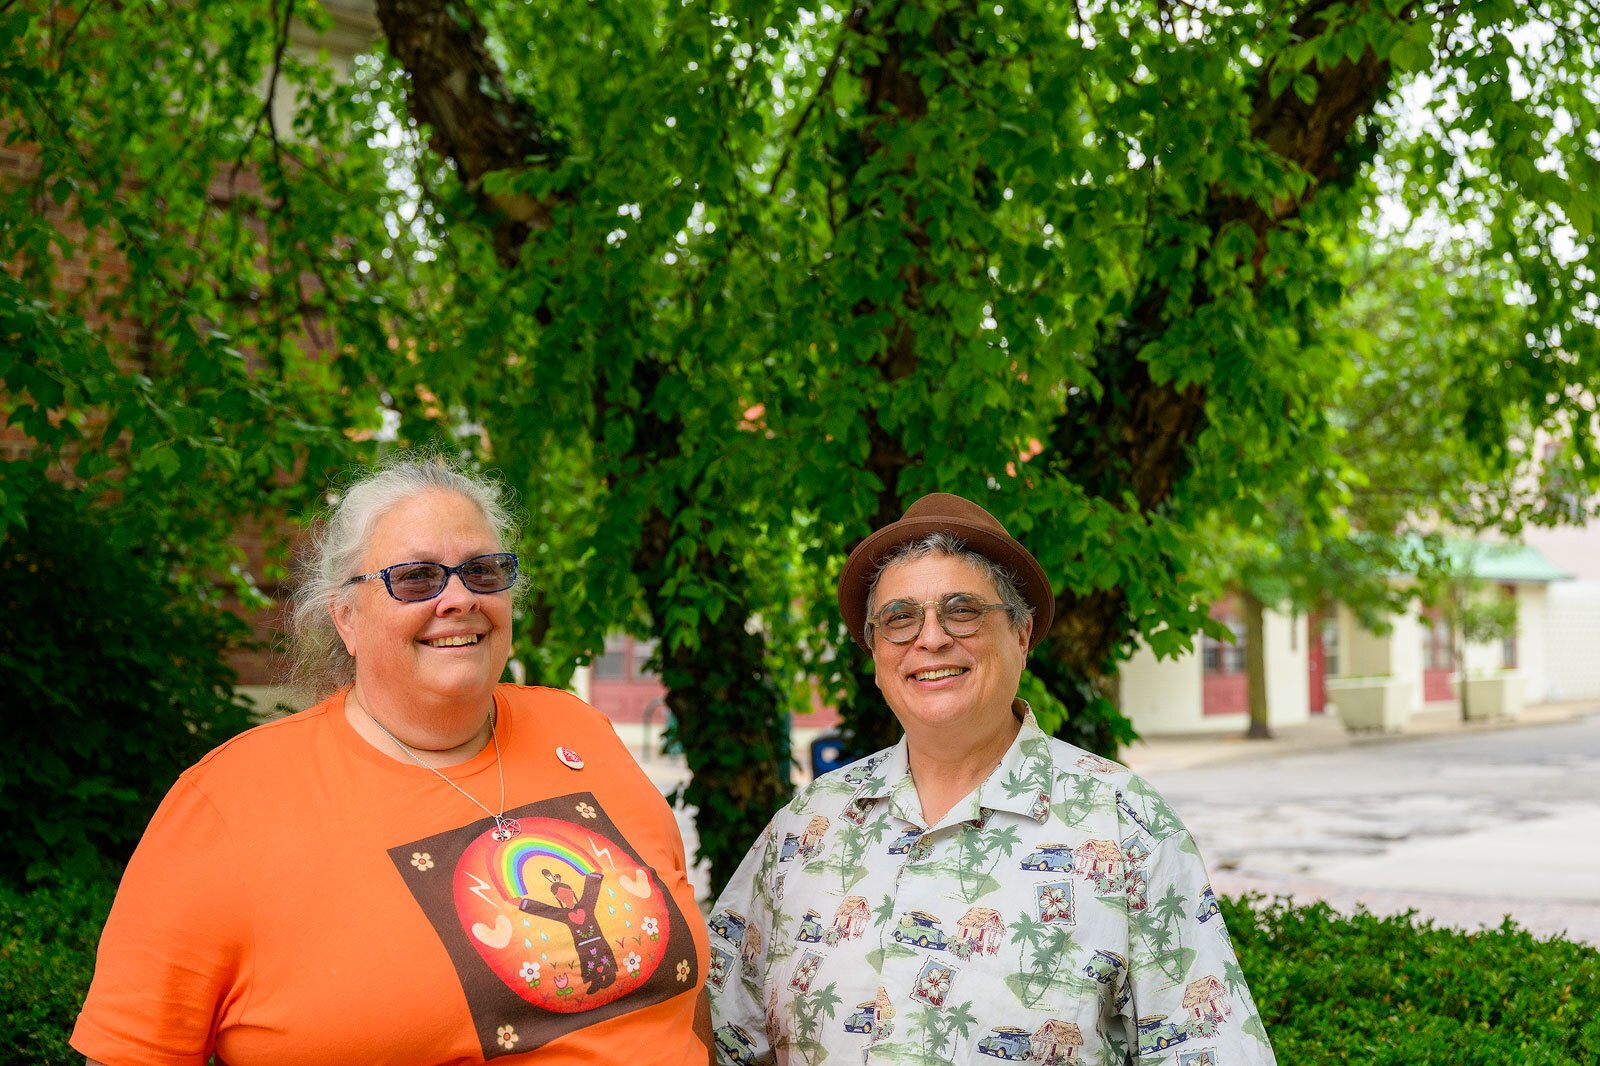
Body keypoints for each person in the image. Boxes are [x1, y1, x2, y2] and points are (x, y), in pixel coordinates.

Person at [72, 456, 711, 1065]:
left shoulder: (580, 730)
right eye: (416, 577)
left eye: (483, 571)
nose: (458, 598)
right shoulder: (227, 804)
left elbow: (680, 992)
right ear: (346, 618)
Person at [707, 493, 1276, 1065]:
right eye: (900, 619)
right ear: (876, 652)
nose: (930, 639)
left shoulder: (1124, 822)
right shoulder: (807, 826)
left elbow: (1209, 1048)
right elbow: (710, 1038)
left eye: (963, 610)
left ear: (1022, 635)